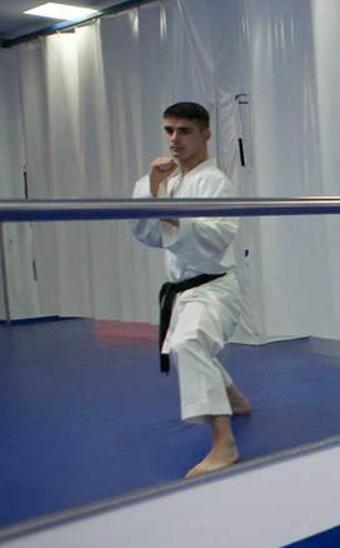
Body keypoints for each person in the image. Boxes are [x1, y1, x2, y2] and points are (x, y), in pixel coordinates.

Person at [131, 101, 251, 479]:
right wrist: (151, 189)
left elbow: (218, 237)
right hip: (183, 290)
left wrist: (167, 211)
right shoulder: (166, 181)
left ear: (206, 134)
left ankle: (223, 443)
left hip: (214, 286)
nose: (174, 139)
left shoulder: (215, 182)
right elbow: (146, 235)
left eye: (184, 131)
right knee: (187, 343)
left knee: (189, 343)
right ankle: (234, 398)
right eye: (169, 130)